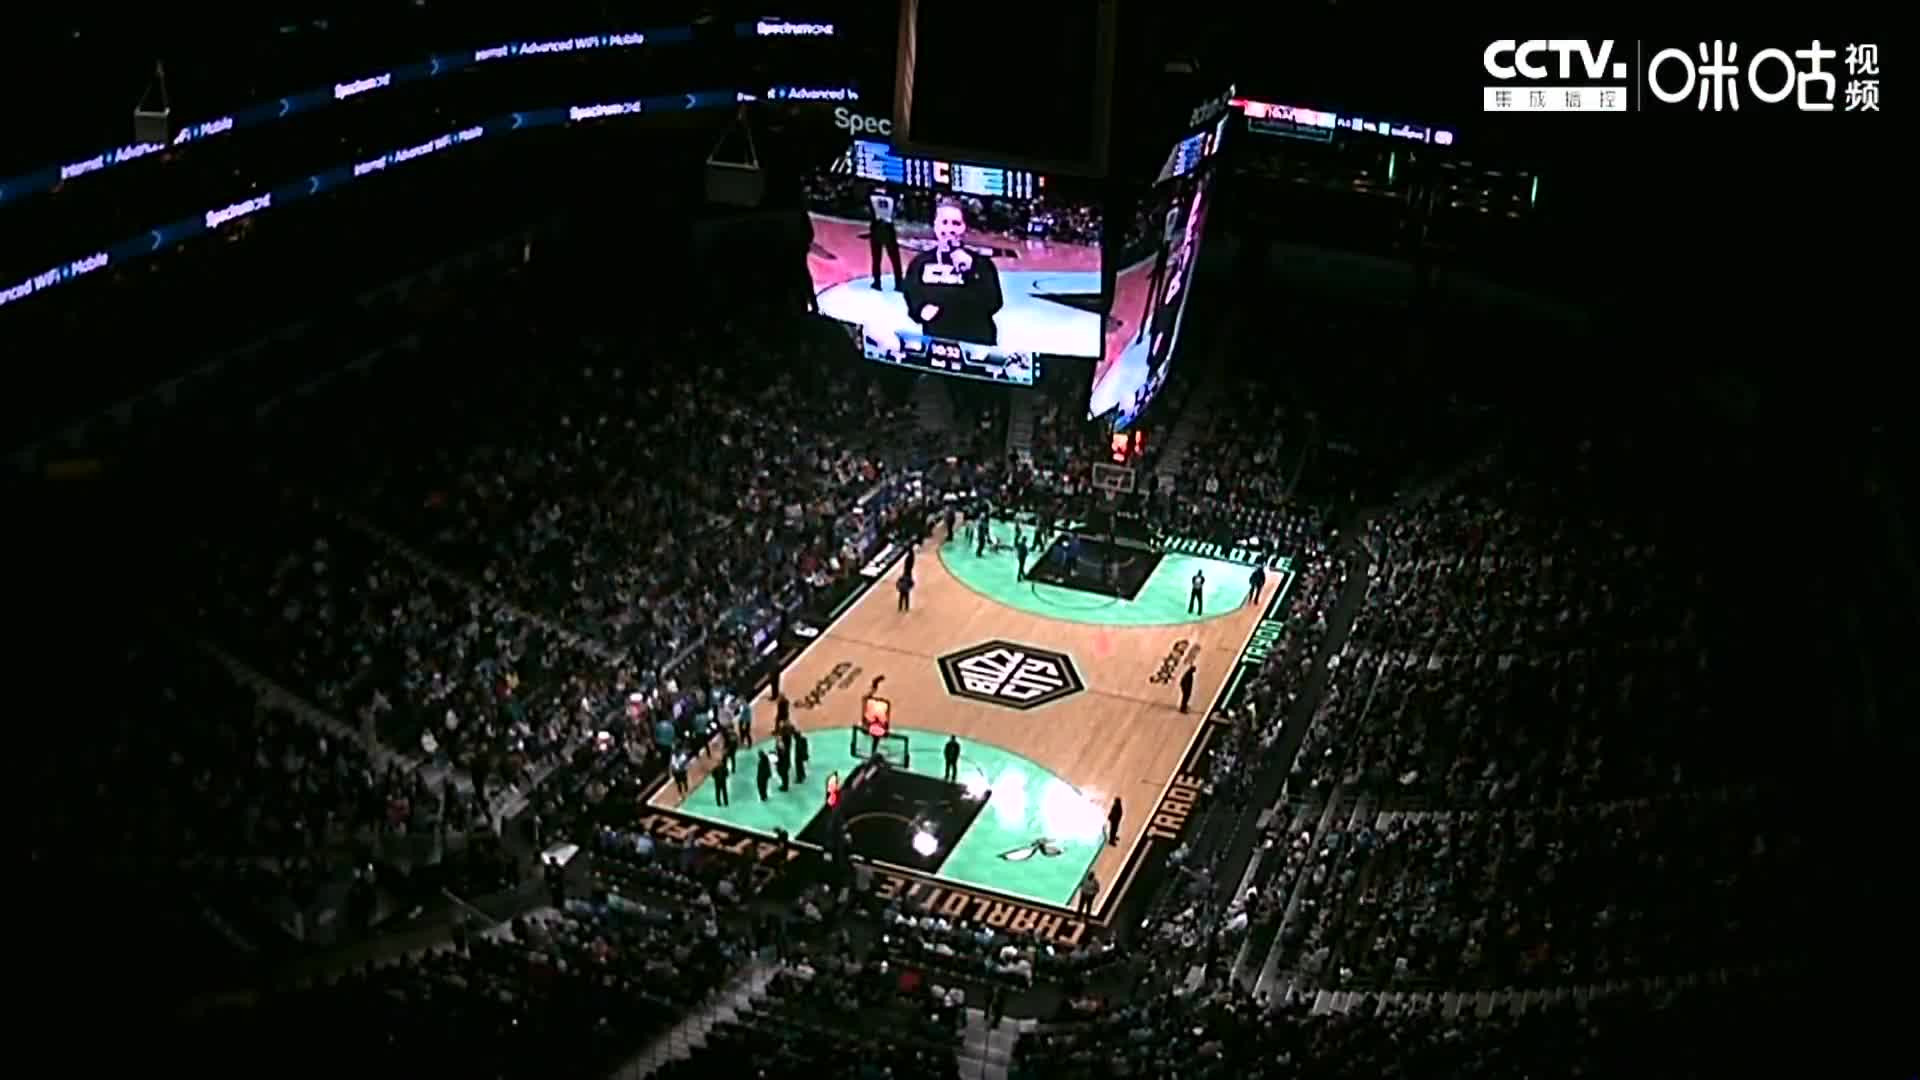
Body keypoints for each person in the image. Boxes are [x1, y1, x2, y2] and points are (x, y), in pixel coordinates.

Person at [902, 197, 1004, 346]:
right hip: (937, 341)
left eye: (956, 223)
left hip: (976, 341)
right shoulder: (920, 263)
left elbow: (994, 302)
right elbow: (912, 293)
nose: (949, 229)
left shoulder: (981, 264)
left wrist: (970, 271)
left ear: (964, 227)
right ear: (935, 226)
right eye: (944, 222)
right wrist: (919, 309)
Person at [868, 182, 903, 288]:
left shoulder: (871, 194)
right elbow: (898, 208)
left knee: (876, 258)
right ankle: (899, 284)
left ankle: (877, 283)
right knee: (895, 259)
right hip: (888, 228)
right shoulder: (893, 195)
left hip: (876, 227)